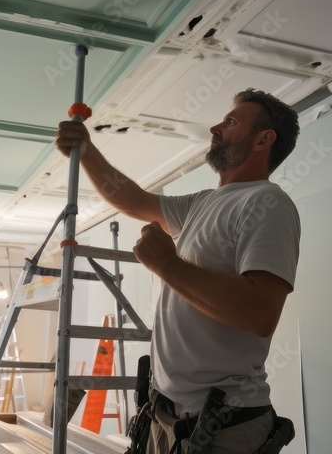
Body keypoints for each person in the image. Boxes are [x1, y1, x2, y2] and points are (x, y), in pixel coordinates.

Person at [56, 88, 301, 454]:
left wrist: (166, 265)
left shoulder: (267, 202)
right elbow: (133, 199)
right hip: (164, 416)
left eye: (231, 122)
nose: (216, 128)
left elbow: (260, 313)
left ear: (264, 139)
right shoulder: (202, 203)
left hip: (221, 426)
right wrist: (88, 152)